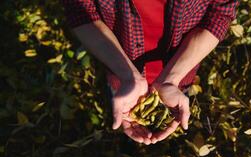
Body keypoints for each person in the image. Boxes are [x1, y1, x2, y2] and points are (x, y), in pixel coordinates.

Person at [61, 0, 239, 145]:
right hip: (119, 68)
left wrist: (172, 79)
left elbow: (219, 14)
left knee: (167, 115)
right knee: (120, 102)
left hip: (181, 70)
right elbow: (80, 11)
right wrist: (127, 75)